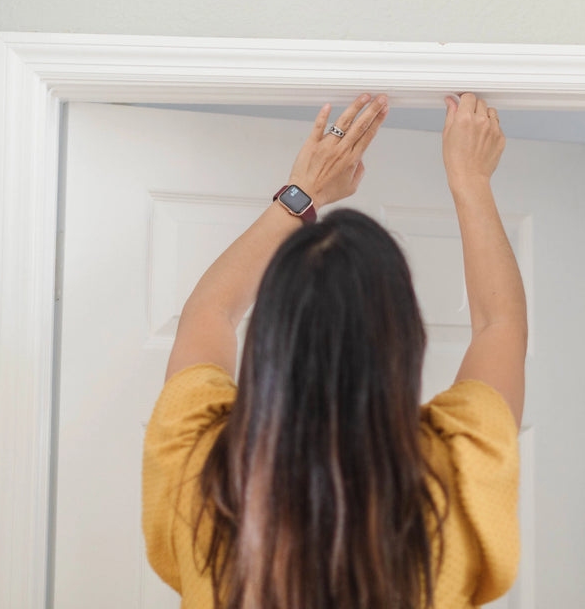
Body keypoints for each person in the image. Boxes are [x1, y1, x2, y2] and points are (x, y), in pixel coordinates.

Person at [142, 92, 527, 609]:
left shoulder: (204, 465)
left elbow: (209, 313)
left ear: (271, 336)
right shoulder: (455, 466)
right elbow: (498, 325)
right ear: (403, 339)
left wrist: (301, 194)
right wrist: (470, 180)